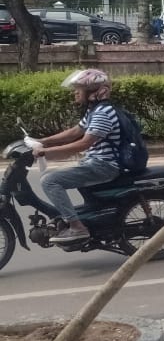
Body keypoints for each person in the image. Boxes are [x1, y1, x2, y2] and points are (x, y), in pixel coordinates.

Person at [33, 69, 122, 243]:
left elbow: (83, 143)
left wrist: (46, 152)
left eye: (79, 89)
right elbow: (75, 131)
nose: (75, 92)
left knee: (50, 181)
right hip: (95, 162)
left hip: (104, 166)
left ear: (93, 92)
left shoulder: (103, 113)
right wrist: (43, 141)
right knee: (55, 175)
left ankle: (76, 227)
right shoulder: (94, 111)